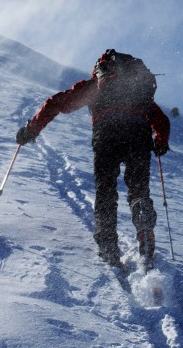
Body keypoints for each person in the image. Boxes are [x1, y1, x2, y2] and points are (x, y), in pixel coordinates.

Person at [16, 49, 170, 273]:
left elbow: (57, 102)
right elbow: (161, 120)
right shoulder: (137, 90)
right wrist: (161, 142)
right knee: (138, 188)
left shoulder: (96, 86)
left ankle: (108, 245)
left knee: (105, 189)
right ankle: (143, 221)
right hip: (138, 133)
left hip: (106, 133)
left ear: (101, 67)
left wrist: (32, 130)